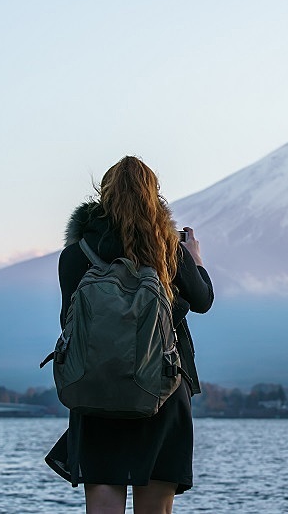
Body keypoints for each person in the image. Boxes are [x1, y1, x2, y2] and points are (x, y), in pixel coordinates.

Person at [45, 156, 214, 514]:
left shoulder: (76, 253)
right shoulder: (168, 248)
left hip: (96, 390)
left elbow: (68, 322)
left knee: (103, 502)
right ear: (154, 197)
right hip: (161, 389)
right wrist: (195, 259)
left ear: (103, 195)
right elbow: (202, 301)